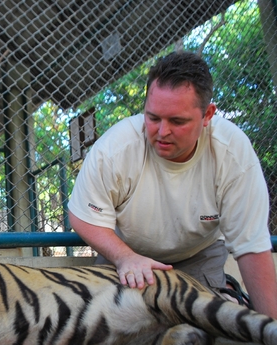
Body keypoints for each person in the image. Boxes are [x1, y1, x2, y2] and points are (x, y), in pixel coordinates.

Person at [68, 51, 277, 318]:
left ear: (207, 115)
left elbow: (251, 247)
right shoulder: (115, 148)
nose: (162, 132)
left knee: (214, 324)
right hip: (125, 254)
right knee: (109, 323)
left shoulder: (232, 152)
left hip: (198, 254)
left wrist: (271, 330)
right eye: (153, 118)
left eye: (177, 121)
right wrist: (124, 257)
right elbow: (83, 215)